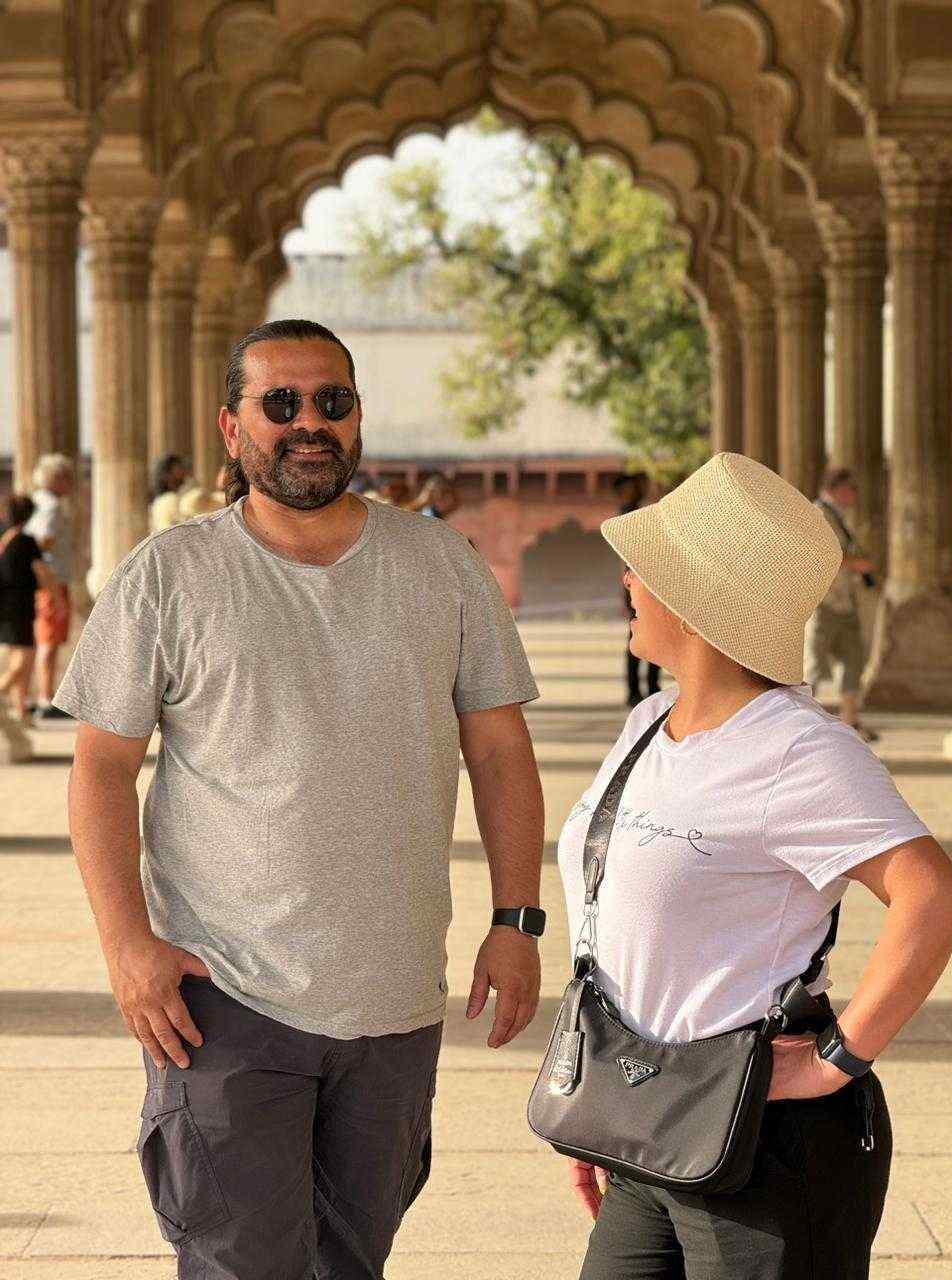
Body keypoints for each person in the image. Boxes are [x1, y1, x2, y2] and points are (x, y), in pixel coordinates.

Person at [52, 318, 545, 1280]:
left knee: (354, 1264)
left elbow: (499, 749)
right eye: (280, 404)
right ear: (233, 430)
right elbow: (101, 769)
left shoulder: (440, 565)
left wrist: (516, 919)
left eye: (333, 402)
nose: (308, 423)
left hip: (395, 1000)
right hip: (221, 997)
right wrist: (125, 946)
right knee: (243, 1265)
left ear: (359, 420)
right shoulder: (172, 574)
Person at [557, 452, 952, 1280]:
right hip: (653, 1118)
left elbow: (933, 895)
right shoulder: (649, 719)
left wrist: (835, 1060)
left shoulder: (798, 752)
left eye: (649, 568)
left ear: (696, 603)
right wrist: (608, 1106)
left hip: (767, 1146)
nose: (628, 578)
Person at [807, 465, 878, 741]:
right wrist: (859, 565)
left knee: (853, 659)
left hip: (844, 602)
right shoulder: (820, 513)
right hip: (824, 600)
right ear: (837, 488)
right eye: (852, 488)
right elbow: (825, 554)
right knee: (814, 662)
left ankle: (851, 720)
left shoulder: (839, 515)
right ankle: (800, 724)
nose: (856, 495)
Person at [23, 453, 74, 721]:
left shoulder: (37, 502)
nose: (71, 483)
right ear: (56, 479)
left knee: (44, 638)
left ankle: (35, 695)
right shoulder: (52, 506)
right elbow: (42, 541)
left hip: (45, 580)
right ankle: (45, 697)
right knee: (49, 641)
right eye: (67, 476)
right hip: (52, 580)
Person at [0, 494, 57, 720]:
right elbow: (42, 571)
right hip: (18, 606)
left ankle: (22, 713)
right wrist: (57, 599)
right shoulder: (26, 541)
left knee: (18, 657)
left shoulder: (5, 539)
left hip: (6, 606)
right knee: (25, 657)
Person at [614, 472, 660, 706]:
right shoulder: (629, 514)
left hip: (643, 584)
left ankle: (648, 687)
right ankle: (639, 689)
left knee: (652, 634)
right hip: (640, 586)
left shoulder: (634, 510)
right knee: (642, 636)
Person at [149, 454, 190, 533]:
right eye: (178, 469)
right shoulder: (169, 499)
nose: (184, 472)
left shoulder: (159, 500)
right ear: (167, 475)